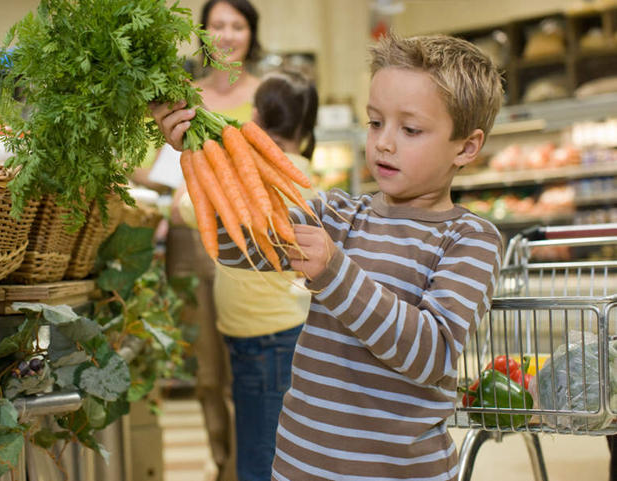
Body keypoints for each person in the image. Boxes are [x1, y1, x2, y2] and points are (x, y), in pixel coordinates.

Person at [151, 32, 505, 481]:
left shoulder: (469, 239)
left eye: (410, 129)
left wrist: (335, 272)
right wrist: (200, 152)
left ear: (467, 147)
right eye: (375, 122)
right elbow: (237, 248)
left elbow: (429, 354)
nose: (384, 143)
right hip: (300, 467)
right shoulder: (337, 214)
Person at [177, 70, 318, 481]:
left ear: (254, 117)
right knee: (271, 438)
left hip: (264, 339)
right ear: (306, 129)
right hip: (280, 329)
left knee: (260, 455)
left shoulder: (245, 172)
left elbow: (185, 209)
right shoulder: (305, 176)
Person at [165, 0, 262, 481]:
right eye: (217, 25)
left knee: (247, 366)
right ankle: (224, 465)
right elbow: (144, 164)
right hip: (190, 239)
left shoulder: (266, 95)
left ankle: (250, 466)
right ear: (202, 34)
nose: (227, 35)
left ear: (252, 34)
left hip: (250, 239)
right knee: (206, 373)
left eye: (237, 25)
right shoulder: (183, 96)